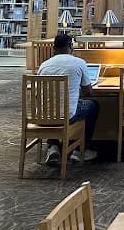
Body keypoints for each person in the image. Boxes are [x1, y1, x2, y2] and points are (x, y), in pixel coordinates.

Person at [37, 34, 100, 166]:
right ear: (71, 46)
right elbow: (88, 92)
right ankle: (80, 150)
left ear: (54, 48)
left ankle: (53, 146)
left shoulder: (44, 65)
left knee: (52, 107)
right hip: (67, 115)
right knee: (93, 105)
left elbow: (39, 93)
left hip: (43, 116)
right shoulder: (79, 62)